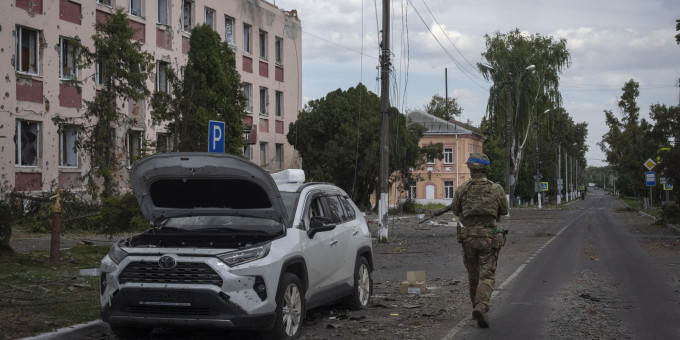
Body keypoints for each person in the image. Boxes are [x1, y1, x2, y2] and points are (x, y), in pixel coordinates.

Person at [450, 153, 509, 328]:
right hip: (489, 239)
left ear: (470, 168)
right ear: (486, 168)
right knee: (487, 275)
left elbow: (455, 210)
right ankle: (481, 306)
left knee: (473, 276)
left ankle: (476, 307)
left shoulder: (462, 189)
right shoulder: (496, 189)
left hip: (468, 239)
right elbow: (504, 211)